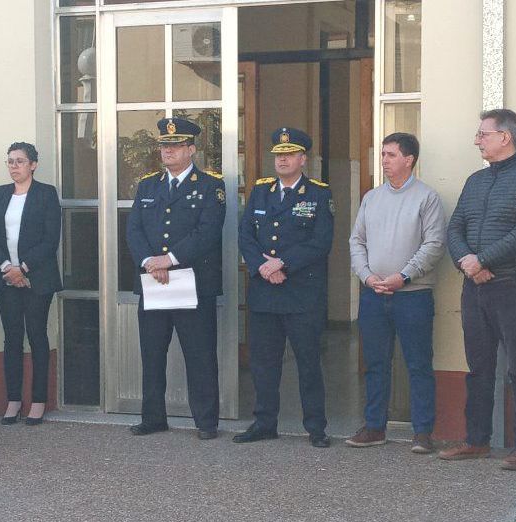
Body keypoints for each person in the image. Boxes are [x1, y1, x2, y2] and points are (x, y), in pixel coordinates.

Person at [441, 109, 516, 470]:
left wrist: (483, 260)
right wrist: (467, 263)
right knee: (478, 367)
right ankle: (476, 440)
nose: (477, 140)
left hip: (513, 287)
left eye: (483, 134)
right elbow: (454, 227)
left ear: (505, 137)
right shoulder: (476, 181)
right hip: (473, 287)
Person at [126, 117, 226, 440]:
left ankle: (206, 422)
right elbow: (134, 230)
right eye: (164, 145)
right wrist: (149, 262)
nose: (167, 150)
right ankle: (153, 417)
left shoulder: (211, 186)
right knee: (152, 354)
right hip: (154, 283)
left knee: (199, 354)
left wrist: (168, 260)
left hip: (192, 284)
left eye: (175, 145)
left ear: (191, 150)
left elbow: (207, 232)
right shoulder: (148, 185)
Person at [234, 127, 334, 448]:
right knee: (264, 364)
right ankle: (264, 423)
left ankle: (316, 427)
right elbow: (245, 234)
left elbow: (321, 242)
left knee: (308, 363)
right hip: (265, 292)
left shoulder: (319, 193)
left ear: (303, 159)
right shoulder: (261, 190)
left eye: (289, 154)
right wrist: (261, 265)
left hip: (301, 294)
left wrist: (283, 263)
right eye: (278, 155)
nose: (282, 159)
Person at [347, 132, 446, 453]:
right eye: (384, 155)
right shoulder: (371, 198)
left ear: (409, 159)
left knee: (417, 364)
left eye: (391, 155)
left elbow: (434, 244)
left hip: (412, 295)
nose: (385, 161)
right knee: (375, 363)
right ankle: (375, 426)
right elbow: (356, 241)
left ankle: (422, 432)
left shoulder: (427, 198)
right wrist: (366, 276)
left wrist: (403, 276)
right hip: (374, 295)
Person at [0, 142, 63, 426]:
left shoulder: (46, 194)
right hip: (6, 279)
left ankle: (38, 400)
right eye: (10, 161)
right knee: (12, 338)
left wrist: (23, 268)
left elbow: (51, 239)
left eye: (19, 161)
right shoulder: (0, 194)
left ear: (33, 165)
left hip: (37, 278)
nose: (14, 166)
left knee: (37, 336)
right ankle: (13, 400)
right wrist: (7, 268)